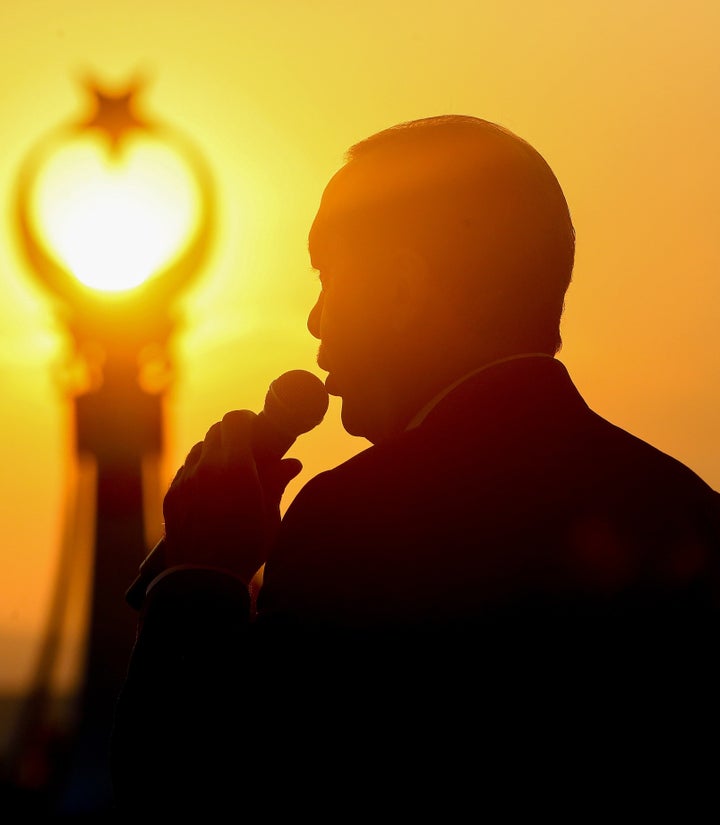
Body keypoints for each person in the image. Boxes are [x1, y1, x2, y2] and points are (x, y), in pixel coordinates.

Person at [110, 115, 720, 819]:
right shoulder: (689, 510)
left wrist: (203, 573)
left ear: (401, 290)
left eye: (327, 278)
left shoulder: (362, 521)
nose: (314, 321)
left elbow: (185, 799)